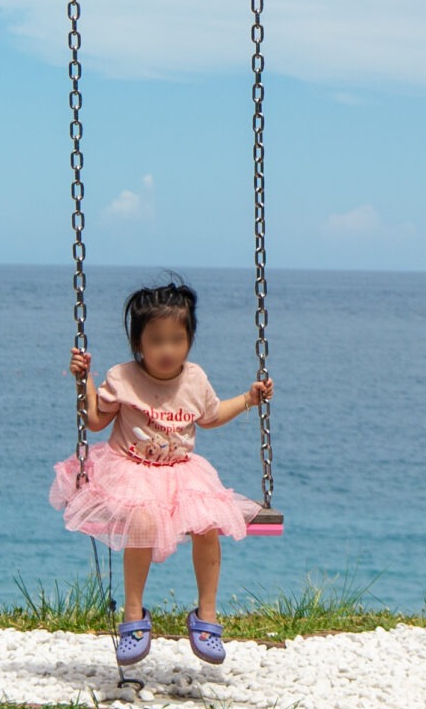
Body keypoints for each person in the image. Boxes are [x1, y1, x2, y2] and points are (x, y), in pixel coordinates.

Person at [53, 277, 273, 667]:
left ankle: (206, 617)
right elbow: (96, 421)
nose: (167, 350)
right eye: (156, 341)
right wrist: (82, 379)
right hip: (132, 470)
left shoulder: (195, 378)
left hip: (182, 472)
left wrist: (248, 399)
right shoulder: (123, 377)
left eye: (177, 339)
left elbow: (209, 416)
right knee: (140, 521)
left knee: (207, 526)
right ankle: (134, 617)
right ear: (139, 344)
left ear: (189, 339)